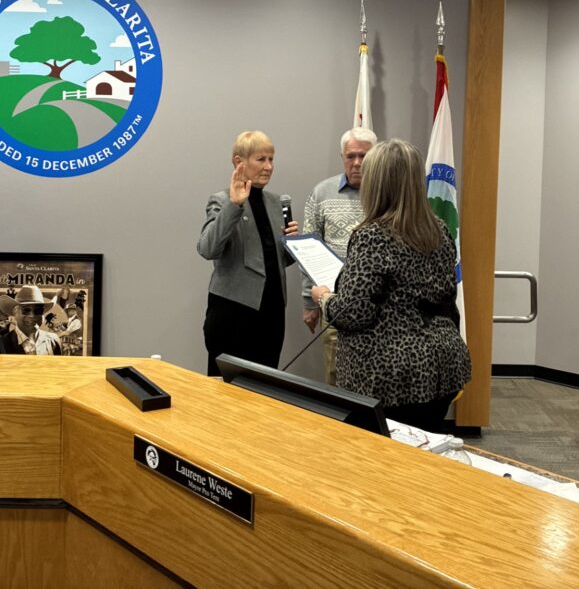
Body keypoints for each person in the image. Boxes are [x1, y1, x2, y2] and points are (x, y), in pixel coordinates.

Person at [310, 139, 472, 431]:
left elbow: (353, 313)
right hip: (442, 367)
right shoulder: (440, 229)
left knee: (387, 467)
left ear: (376, 183)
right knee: (424, 453)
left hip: (391, 377)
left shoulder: (372, 236)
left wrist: (324, 298)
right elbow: (445, 293)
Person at [198, 130, 299, 375]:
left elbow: (270, 262)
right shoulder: (222, 200)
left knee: (265, 389)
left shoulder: (277, 203)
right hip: (233, 314)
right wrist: (234, 205)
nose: (268, 166)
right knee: (227, 395)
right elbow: (208, 248)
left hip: (272, 313)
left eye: (271, 159)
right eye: (261, 159)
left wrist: (292, 247)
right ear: (238, 162)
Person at [301, 127, 377, 384]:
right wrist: (309, 302)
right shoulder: (322, 193)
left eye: (364, 156)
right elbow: (308, 249)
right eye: (350, 156)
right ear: (342, 156)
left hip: (378, 304)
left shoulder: (385, 194)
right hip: (333, 299)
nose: (357, 163)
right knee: (335, 373)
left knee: (374, 374)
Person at [0, 285, 62, 355]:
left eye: (38, 310)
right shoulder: (2, 344)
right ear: (15, 312)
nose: (32, 316)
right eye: (26, 310)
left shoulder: (53, 341)